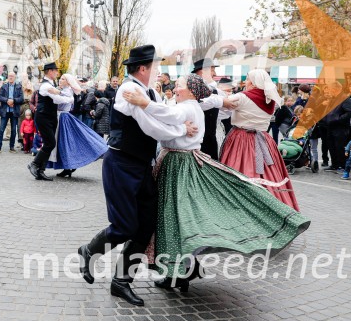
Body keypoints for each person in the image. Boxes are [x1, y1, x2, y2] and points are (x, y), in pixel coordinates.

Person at [121, 74, 310, 291]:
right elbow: (196, 107)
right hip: (208, 155)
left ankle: (179, 270)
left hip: (183, 162)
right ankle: (182, 268)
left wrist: (146, 104)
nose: (175, 88)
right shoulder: (264, 101)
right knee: (185, 215)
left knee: (174, 217)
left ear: (191, 90)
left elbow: (171, 112)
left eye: (180, 85)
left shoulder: (192, 106)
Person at [77, 45, 198, 306]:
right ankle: (88, 251)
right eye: (155, 66)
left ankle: (121, 282)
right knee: (125, 227)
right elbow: (151, 126)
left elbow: (163, 116)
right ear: (143, 68)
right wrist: (181, 130)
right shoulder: (127, 90)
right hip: (120, 165)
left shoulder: (149, 91)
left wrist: (179, 125)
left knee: (146, 224)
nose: (158, 71)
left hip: (141, 165)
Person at [219, 69, 300, 211]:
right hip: (264, 140)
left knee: (240, 170)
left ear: (255, 82)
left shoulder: (242, 97)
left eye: (248, 79)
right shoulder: (272, 100)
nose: (245, 82)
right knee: (267, 173)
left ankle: (239, 205)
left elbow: (221, 104)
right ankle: (269, 205)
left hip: (241, 139)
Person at [47, 74, 107, 177]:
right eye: (60, 78)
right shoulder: (64, 90)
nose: (60, 80)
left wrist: (56, 93)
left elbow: (63, 100)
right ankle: (67, 166)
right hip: (61, 117)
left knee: (65, 143)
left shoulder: (67, 91)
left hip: (63, 117)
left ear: (68, 82)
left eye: (63, 79)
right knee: (63, 143)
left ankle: (68, 166)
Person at [28, 62, 75, 181]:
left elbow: (57, 97)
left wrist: (62, 94)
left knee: (49, 144)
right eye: (55, 71)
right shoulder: (45, 85)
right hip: (43, 117)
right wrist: (67, 97)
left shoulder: (51, 84)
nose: (57, 73)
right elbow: (57, 99)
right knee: (50, 143)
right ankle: (34, 164)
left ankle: (41, 171)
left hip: (51, 117)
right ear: (50, 71)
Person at [0, 72, 24, 152]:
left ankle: (11, 146)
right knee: (1, 129)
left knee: (13, 130)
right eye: (9, 76)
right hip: (5, 111)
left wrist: (13, 101)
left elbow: (21, 99)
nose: (10, 77)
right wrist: (7, 100)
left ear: (15, 77)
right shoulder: (4, 86)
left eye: (12, 76)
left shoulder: (19, 87)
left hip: (14, 111)